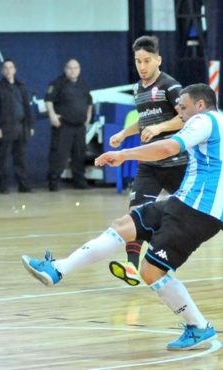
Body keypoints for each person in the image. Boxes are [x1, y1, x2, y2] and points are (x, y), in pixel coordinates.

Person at [22, 83, 222, 351]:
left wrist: (123, 154)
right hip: (183, 201)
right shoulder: (216, 122)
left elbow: (167, 149)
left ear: (199, 105)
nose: (179, 112)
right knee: (124, 225)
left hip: (196, 210)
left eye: (183, 107)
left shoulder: (203, 120)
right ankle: (58, 269)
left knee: (151, 271)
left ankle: (198, 326)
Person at [107, 36, 187, 286]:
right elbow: (143, 119)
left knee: (203, 211)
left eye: (147, 60)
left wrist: (160, 127)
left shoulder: (171, 86)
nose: (142, 66)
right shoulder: (138, 89)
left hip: (176, 164)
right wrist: (123, 133)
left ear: (158, 60)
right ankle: (131, 266)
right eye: (138, 61)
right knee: (135, 212)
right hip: (149, 165)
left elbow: (184, 118)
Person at [45, 58, 93, 191]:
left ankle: (79, 181)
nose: (73, 71)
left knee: (79, 155)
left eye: (75, 68)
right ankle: (53, 182)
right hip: (63, 126)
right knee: (59, 155)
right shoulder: (57, 84)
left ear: (79, 70)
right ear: (65, 69)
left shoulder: (83, 84)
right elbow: (48, 100)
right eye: (70, 68)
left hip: (79, 126)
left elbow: (89, 102)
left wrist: (88, 117)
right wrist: (52, 115)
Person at [0, 59, 34, 194]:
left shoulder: (22, 86)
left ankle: (23, 185)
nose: (8, 70)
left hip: (21, 127)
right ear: (2, 71)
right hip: (5, 128)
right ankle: (4, 187)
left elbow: (27, 107)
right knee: (3, 159)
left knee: (21, 158)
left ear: (15, 70)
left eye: (11, 67)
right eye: (6, 68)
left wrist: (30, 125)